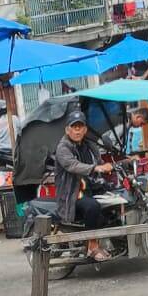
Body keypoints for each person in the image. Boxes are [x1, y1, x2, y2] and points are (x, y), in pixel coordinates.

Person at [53, 108, 114, 262]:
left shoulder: (89, 146)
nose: (77, 130)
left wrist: (118, 164)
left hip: (91, 188)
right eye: (74, 127)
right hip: (72, 194)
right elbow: (73, 165)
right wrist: (96, 168)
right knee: (92, 207)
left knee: (114, 202)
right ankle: (92, 246)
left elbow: (99, 162)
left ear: (85, 129)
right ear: (67, 130)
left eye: (80, 127)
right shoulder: (63, 148)